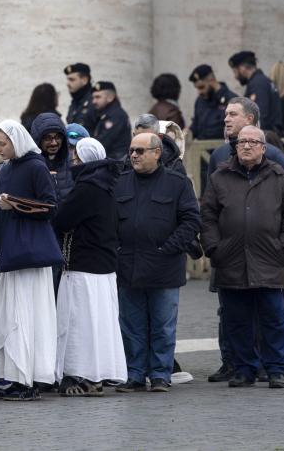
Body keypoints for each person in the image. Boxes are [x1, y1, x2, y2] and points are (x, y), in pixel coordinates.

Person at [201, 125, 284, 389]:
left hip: (270, 259)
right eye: (242, 142)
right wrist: (214, 247)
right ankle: (244, 369)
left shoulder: (279, 177)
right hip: (230, 260)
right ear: (235, 147)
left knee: (274, 319)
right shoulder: (220, 177)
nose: (246, 146)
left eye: (252, 142)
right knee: (237, 320)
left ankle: (277, 369)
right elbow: (208, 215)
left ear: (263, 148)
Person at [114, 133, 200, 392]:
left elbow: (191, 221)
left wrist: (168, 248)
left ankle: (161, 374)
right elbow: (109, 219)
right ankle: (136, 374)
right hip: (128, 265)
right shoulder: (120, 182)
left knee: (163, 325)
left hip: (164, 266)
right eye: (131, 151)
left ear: (157, 153)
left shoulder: (177, 183)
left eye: (140, 151)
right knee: (131, 327)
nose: (134, 156)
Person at [0, 120, 62, 400]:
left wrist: (16, 204)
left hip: (28, 255)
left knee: (25, 317)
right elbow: (3, 210)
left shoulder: (36, 166)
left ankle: (28, 379)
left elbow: (50, 207)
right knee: (7, 318)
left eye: (3, 143)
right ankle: (11, 377)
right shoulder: (6, 169)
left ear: (16, 141)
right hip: (7, 249)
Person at [53, 138, 126, 397]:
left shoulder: (87, 187)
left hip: (83, 267)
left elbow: (62, 220)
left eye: (76, 159)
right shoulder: (106, 185)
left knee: (80, 324)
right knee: (99, 325)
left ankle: (85, 376)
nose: (73, 163)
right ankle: (95, 375)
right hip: (102, 267)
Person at [207, 97, 284, 185]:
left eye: (232, 114)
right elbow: (209, 196)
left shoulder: (272, 154)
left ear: (249, 119)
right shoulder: (218, 154)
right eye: (226, 114)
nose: (226, 119)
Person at [229, 51, 282, 133]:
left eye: (235, 71)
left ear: (242, 68)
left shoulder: (257, 84)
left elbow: (259, 117)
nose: (235, 76)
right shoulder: (261, 81)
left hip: (265, 137)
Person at [31, 112, 74, 201]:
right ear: (38, 140)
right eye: (48, 138)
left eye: (58, 137)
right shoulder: (30, 167)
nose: (54, 143)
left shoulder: (74, 162)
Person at [188, 64, 238, 140]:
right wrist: (188, 132)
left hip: (223, 149)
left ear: (211, 80)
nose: (199, 92)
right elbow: (196, 124)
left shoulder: (232, 100)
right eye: (197, 88)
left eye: (201, 87)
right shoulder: (200, 100)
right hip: (200, 149)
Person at [91, 81, 131, 160]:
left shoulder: (116, 115)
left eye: (98, 97)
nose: (94, 101)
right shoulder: (105, 114)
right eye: (93, 97)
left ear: (110, 97)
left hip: (116, 162)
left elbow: (103, 142)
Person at [64, 63, 97, 131]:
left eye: (72, 80)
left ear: (84, 80)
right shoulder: (76, 101)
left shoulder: (94, 101)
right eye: (67, 80)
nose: (67, 84)